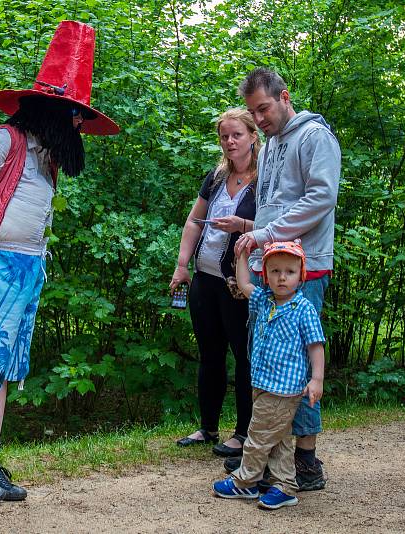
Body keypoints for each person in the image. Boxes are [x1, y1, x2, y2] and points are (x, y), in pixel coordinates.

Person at [0, 21, 119, 508]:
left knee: (2, 367)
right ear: (53, 109)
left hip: (23, 270)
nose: (80, 125)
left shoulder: (46, 156)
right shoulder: (4, 141)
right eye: (75, 114)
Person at [229, 67, 341, 490]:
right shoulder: (273, 143)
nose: (258, 120)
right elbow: (273, 205)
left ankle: (307, 463)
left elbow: (321, 197)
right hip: (267, 266)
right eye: (253, 112)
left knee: (298, 367)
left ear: (284, 96)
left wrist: (265, 234)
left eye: (264, 109)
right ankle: (270, 463)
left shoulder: (315, 138)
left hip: (304, 269)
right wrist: (252, 237)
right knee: (273, 366)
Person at [171, 109, 261, 458]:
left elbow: (277, 225)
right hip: (204, 279)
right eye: (224, 136)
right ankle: (207, 427)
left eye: (237, 134)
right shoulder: (216, 176)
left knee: (243, 356)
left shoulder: (265, 179)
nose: (230, 141)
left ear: (253, 136)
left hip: (238, 282)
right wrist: (182, 265)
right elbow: (195, 221)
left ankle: (242, 433)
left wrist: (241, 224)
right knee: (210, 355)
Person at [213, 241, 325, 510]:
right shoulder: (264, 300)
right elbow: (242, 283)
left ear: (302, 275)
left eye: (289, 271)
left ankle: (245, 482)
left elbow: (316, 345)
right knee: (280, 439)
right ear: (265, 274)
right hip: (262, 383)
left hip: (283, 389)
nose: (282, 277)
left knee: (258, 435)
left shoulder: (303, 308)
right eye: (275, 271)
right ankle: (284, 486)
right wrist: (241, 253)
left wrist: (317, 379)